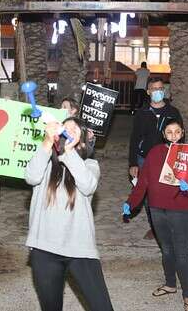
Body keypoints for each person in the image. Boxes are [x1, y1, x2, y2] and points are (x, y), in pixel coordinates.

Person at [25, 117, 113, 311]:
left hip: (80, 248)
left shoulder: (90, 165)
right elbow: (31, 176)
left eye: (75, 128)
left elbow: (88, 185)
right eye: (65, 127)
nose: (68, 130)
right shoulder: (46, 162)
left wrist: (69, 152)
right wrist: (47, 142)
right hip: (44, 249)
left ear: (82, 140)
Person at [123, 119, 188, 311]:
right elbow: (143, 182)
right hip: (157, 209)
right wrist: (130, 203)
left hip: (182, 211)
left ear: (182, 132)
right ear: (164, 134)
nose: (173, 136)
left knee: (182, 254)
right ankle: (170, 285)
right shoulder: (155, 152)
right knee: (166, 250)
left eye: (177, 132)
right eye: (169, 132)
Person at [128, 77, 182, 239]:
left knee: (170, 191)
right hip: (145, 160)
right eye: (154, 89)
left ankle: (170, 226)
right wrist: (133, 163)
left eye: (161, 88)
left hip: (168, 158)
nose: (158, 91)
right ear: (148, 92)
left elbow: (181, 135)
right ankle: (155, 227)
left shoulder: (173, 112)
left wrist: (180, 157)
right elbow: (134, 138)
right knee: (148, 194)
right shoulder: (142, 113)